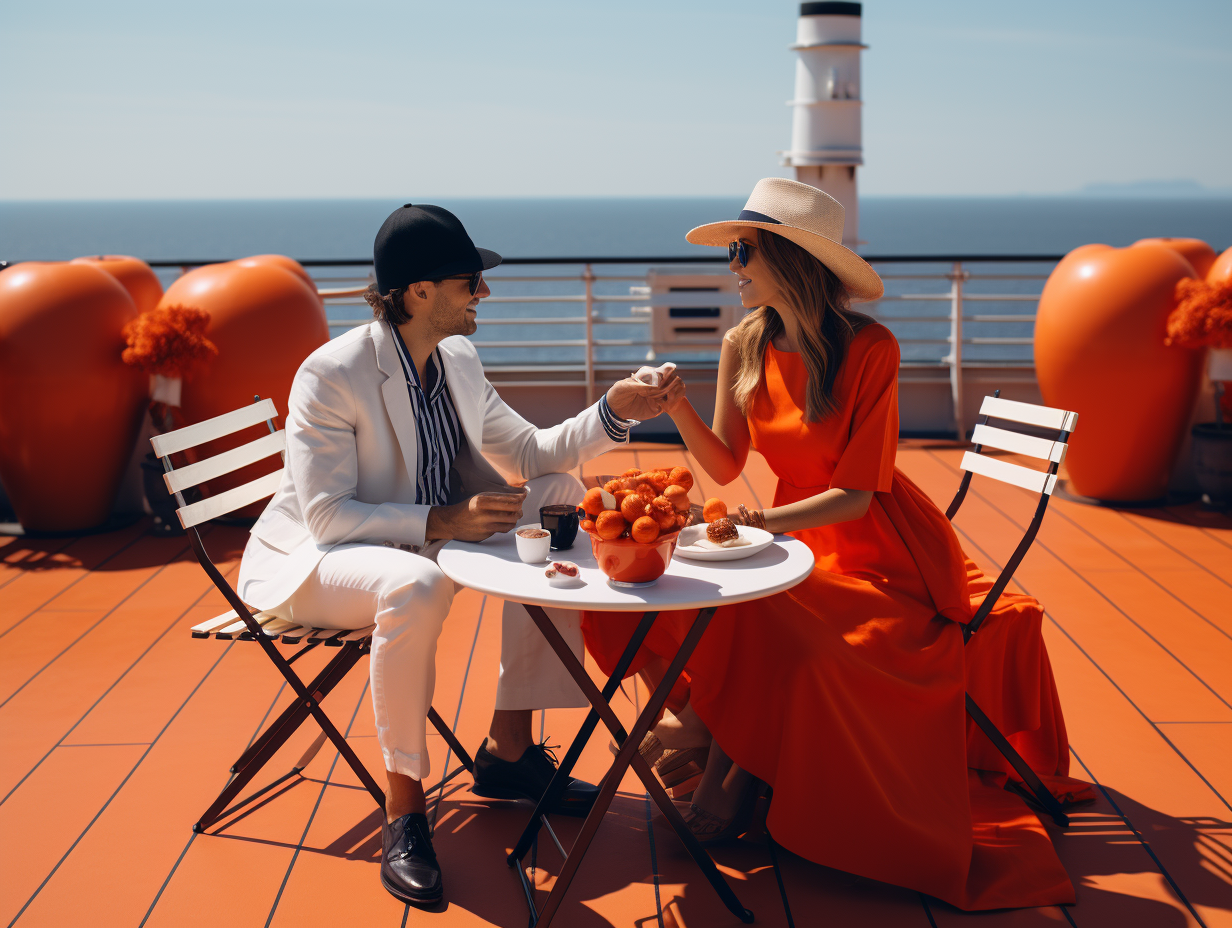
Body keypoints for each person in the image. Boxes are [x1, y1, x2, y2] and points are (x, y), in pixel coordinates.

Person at [580, 178, 1091, 910]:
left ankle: (719, 750)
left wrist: (757, 525)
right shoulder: (742, 343)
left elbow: (857, 494)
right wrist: (678, 406)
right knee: (740, 600)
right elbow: (724, 465)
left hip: (882, 548)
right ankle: (723, 747)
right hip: (795, 538)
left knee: (774, 616)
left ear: (787, 258)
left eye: (741, 250)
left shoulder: (871, 349)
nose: (731, 265)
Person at [236, 203, 683, 908]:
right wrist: (444, 519)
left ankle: (508, 751)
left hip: (423, 537)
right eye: (470, 281)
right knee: (413, 585)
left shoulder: (459, 361)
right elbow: (325, 516)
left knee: (559, 493)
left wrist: (615, 410)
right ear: (419, 292)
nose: (485, 293)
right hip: (318, 560)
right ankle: (405, 812)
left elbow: (533, 454)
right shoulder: (333, 373)